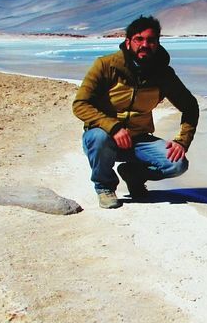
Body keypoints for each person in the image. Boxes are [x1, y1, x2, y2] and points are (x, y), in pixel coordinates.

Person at [73, 15, 199, 209]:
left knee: (177, 164)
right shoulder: (106, 66)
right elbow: (80, 104)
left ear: (157, 43)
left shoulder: (163, 74)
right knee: (98, 138)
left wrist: (182, 141)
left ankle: (134, 174)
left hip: (139, 140)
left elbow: (190, 106)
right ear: (128, 41)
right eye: (139, 39)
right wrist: (113, 128)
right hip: (105, 137)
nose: (145, 44)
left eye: (151, 40)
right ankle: (105, 187)